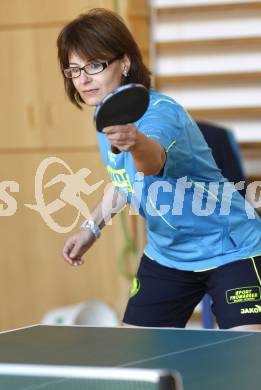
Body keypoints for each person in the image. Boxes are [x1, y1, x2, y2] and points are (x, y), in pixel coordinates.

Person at [57, 8, 261, 330]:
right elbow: (125, 182)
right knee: (136, 362)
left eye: (94, 65)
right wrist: (90, 229)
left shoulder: (161, 114)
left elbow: (152, 163)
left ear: (123, 63)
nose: (83, 79)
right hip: (168, 256)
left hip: (230, 249)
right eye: (73, 70)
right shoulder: (103, 120)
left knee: (247, 356)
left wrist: (135, 141)